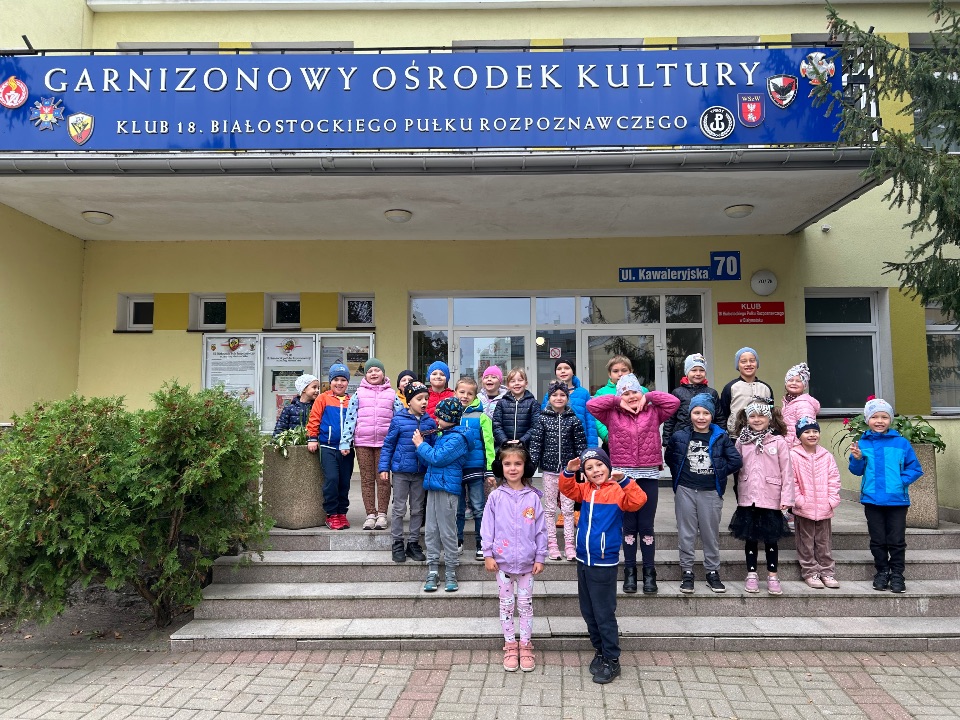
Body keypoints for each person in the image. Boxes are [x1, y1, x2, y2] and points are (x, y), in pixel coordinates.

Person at [587, 374, 680, 594]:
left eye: (634, 392)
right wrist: (616, 400)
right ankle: (630, 571)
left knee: (646, 526)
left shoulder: (653, 411)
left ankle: (649, 572)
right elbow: (592, 405)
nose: (631, 396)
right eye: (625, 393)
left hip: (648, 474)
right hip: (623, 476)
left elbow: (673, 402)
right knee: (628, 527)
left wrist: (648, 396)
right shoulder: (612, 414)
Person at [559, 448, 645, 685]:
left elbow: (638, 501)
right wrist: (569, 471)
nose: (595, 470)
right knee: (588, 611)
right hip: (583, 559)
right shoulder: (585, 489)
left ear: (608, 466)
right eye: (589, 468)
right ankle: (600, 651)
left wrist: (624, 480)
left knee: (604, 613)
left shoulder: (617, 490)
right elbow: (567, 489)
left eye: (599, 465)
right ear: (585, 473)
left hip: (604, 561)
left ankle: (612, 659)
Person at [664, 393, 742, 594]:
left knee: (710, 534)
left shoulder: (721, 436)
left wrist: (719, 470)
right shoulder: (680, 436)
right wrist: (681, 478)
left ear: (712, 415)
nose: (701, 417)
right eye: (696, 412)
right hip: (686, 490)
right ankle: (687, 571)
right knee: (686, 533)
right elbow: (670, 457)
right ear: (690, 414)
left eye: (706, 413)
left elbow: (736, 460)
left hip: (710, 492)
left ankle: (712, 572)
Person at [481, 443, 547, 672]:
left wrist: (540, 556)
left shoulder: (533, 498)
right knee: (507, 605)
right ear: (501, 467)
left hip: (528, 563)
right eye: (507, 463)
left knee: (525, 605)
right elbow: (487, 527)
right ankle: (510, 645)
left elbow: (541, 530)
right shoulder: (495, 497)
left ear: (525, 467)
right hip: (503, 563)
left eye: (517, 463)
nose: (512, 468)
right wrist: (488, 554)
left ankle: (526, 645)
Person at [849, 398, 924, 594]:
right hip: (872, 500)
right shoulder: (862, 443)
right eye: (875, 417)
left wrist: (900, 481)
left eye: (884, 417)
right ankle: (882, 571)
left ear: (890, 420)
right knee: (878, 539)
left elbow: (915, 468)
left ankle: (897, 574)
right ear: (867, 420)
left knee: (897, 540)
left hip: (897, 501)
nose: (880, 421)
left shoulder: (901, 443)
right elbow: (856, 471)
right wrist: (857, 459)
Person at [729, 403, 794, 595]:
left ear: (769, 419)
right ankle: (751, 574)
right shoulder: (741, 441)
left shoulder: (778, 442)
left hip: (770, 497)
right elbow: (735, 466)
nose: (757, 420)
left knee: (770, 538)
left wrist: (787, 497)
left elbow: (787, 472)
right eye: (753, 416)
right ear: (747, 419)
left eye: (761, 416)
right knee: (750, 537)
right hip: (748, 496)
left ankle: (773, 575)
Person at [414, 397, 473, 593]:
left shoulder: (458, 438)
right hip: (434, 486)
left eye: (440, 416)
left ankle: (450, 571)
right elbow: (431, 460)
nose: (436, 419)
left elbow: (437, 458)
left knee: (447, 532)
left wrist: (420, 445)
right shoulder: (444, 434)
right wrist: (422, 446)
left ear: (450, 418)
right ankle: (432, 570)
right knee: (431, 530)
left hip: (447, 489)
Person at [340, 359, 404, 531]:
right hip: (362, 443)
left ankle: (382, 514)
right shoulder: (358, 394)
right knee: (367, 480)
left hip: (385, 444)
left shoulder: (392, 394)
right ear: (365, 375)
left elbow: (400, 418)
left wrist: (400, 441)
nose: (373, 373)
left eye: (377, 370)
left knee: (383, 479)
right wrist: (345, 441)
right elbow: (350, 419)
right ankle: (370, 514)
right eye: (369, 371)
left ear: (383, 373)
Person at [528, 381, 588, 561]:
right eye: (555, 395)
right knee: (549, 509)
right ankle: (552, 544)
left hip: (568, 473)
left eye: (562, 395)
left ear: (567, 398)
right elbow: (536, 445)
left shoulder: (574, 419)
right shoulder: (542, 419)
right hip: (549, 471)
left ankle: (569, 545)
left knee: (568, 510)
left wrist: (583, 467)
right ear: (549, 398)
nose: (559, 398)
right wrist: (530, 468)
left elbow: (581, 446)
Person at [378, 382, 437, 564]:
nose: (424, 402)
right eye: (419, 399)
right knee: (399, 508)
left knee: (418, 509)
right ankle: (397, 543)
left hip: (420, 473)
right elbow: (388, 445)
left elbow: (433, 447)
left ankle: (413, 543)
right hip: (401, 472)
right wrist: (383, 467)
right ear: (409, 401)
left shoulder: (430, 422)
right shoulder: (398, 420)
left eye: (426, 398)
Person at [791, 416, 841, 589]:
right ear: (799, 435)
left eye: (815, 431)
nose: (812, 435)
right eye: (807, 432)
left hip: (824, 507)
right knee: (805, 542)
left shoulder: (826, 456)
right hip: (804, 508)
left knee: (824, 542)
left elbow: (834, 479)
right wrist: (799, 501)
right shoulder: (793, 455)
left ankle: (827, 571)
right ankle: (810, 571)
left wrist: (832, 500)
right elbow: (791, 480)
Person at [306, 364, 353, 530]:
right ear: (330, 381)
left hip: (347, 449)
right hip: (328, 447)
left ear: (347, 382)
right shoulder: (323, 398)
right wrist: (312, 438)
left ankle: (342, 513)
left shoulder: (352, 400)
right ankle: (331, 514)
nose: (339, 383)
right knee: (332, 479)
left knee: (344, 482)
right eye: (336, 379)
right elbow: (314, 418)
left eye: (343, 380)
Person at [455, 377, 496, 561]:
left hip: (475, 468)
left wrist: (490, 469)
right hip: (456, 468)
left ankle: (481, 544)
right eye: (462, 392)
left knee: (479, 507)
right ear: (455, 392)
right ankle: (458, 541)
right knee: (458, 509)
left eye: (469, 393)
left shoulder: (482, 417)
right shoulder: (451, 414)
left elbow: (489, 444)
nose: (465, 396)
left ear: (475, 396)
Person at [662, 353, 725, 447]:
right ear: (687, 372)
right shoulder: (677, 392)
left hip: (706, 440)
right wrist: (667, 442)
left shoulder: (712, 393)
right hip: (681, 441)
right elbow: (670, 420)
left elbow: (719, 418)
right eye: (694, 370)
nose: (698, 373)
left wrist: (721, 439)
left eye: (702, 370)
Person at [541, 357, 599, 449]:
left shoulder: (583, 393)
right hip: (555, 446)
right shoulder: (549, 394)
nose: (563, 371)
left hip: (580, 445)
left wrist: (592, 448)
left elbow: (590, 422)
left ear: (573, 371)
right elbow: (542, 421)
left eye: (567, 368)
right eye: (559, 369)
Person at [718, 347, 774, 435]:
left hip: (762, 436)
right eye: (743, 361)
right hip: (736, 437)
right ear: (738, 365)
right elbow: (724, 413)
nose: (748, 364)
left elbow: (771, 411)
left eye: (752, 361)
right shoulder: (731, 387)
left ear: (757, 364)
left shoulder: (765, 388)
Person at [591, 356, 644, 448]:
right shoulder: (602, 392)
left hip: (640, 440)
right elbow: (596, 416)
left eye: (624, 370)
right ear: (609, 374)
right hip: (613, 441)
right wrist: (607, 435)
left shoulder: (641, 390)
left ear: (631, 372)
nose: (620, 374)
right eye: (615, 371)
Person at [492, 367, 539, 450]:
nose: (517, 383)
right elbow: (496, 425)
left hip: (525, 447)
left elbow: (536, 426)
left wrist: (522, 441)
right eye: (513, 381)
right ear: (508, 385)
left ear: (526, 383)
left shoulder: (533, 403)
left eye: (520, 380)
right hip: (505, 448)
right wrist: (504, 441)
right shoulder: (501, 403)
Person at [780, 363, 820, 446]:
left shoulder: (804, 405)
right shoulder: (788, 402)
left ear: (805, 385)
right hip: (788, 446)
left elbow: (807, 431)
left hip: (797, 448)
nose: (794, 383)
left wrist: (796, 447)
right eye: (790, 380)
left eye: (798, 381)